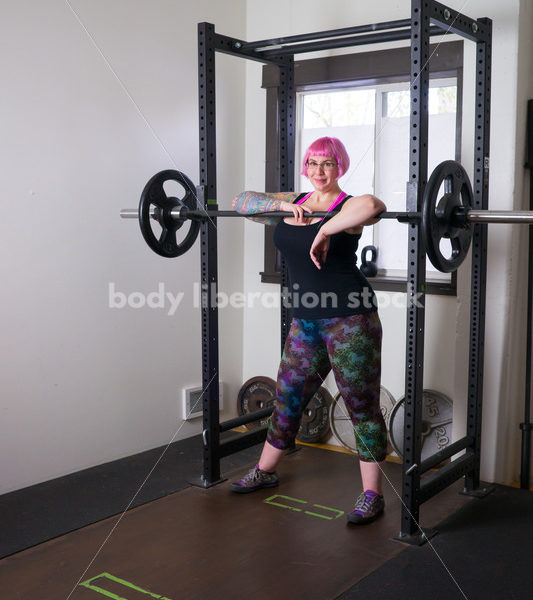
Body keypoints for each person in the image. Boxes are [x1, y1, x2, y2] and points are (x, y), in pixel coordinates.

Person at [229, 136, 387, 525]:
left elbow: (373, 206)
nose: (319, 172)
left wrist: (324, 229)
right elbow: (241, 202)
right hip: (306, 321)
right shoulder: (292, 200)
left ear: (340, 167)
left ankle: (372, 495)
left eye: (328, 164)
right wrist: (287, 206)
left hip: (351, 320)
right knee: (287, 397)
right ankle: (265, 471)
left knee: (360, 406)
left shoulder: (347, 205)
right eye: (313, 163)